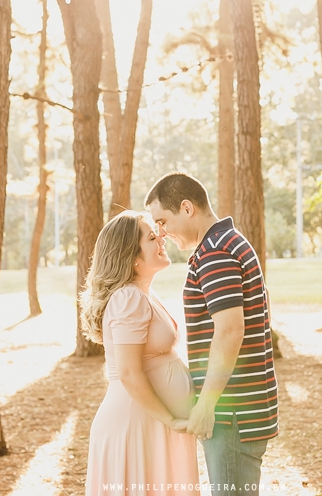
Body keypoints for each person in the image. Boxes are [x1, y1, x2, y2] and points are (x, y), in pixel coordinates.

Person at [145, 173, 279, 495]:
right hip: (237, 410)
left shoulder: (215, 252)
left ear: (187, 208)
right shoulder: (224, 243)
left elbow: (230, 330)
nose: (161, 234)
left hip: (231, 414)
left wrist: (206, 404)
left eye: (163, 221)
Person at [81, 211, 199, 495]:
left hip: (151, 422)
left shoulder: (143, 294)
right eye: (151, 236)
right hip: (136, 424)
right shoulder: (127, 298)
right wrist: (170, 419)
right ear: (131, 255)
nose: (162, 238)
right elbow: (129, 373)